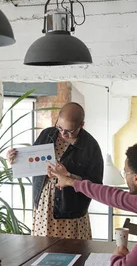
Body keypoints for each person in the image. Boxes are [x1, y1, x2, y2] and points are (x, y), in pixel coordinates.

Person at [7, 102, 103, 239]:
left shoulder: (90, 146)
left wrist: (68, 175)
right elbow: (30, 160)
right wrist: (14, 159)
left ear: (81, 125)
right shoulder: (48, 134)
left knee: (71, 252)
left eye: (69, 131)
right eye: (59, 127)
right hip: (44, 205)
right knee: (41, 251)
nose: (63, 133)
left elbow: (96, 185)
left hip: (71, 210)